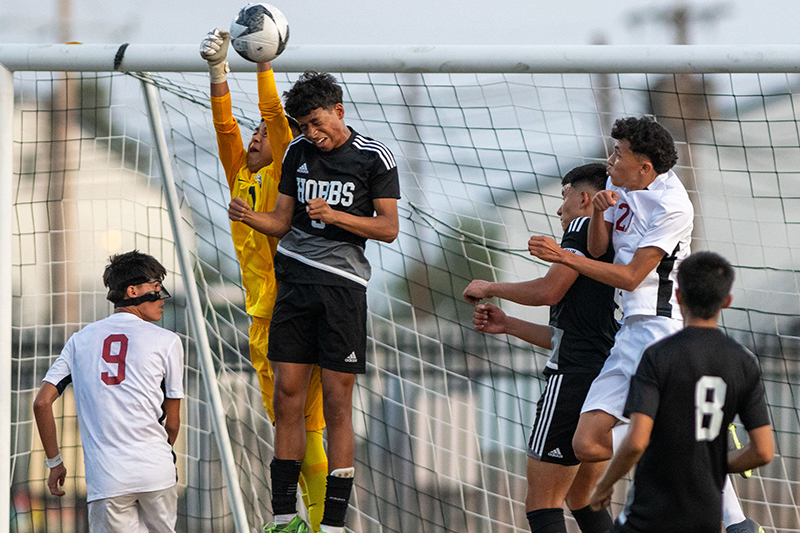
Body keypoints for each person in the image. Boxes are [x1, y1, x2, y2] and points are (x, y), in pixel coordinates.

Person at [528, 116, 761, 533]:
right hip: (629, 332)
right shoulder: (620, 187)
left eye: (618, 153)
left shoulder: (673, 205)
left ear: (645, 167)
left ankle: (733, 513)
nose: (609, 159)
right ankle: (690, 437)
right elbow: (600, 249)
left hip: (661, 328)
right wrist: (599, 214)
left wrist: (565, 257)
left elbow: (633, 276)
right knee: (586, 442)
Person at [228, 70, 400, 533]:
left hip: (343, 288)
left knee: (338, 404)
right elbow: (282, 221)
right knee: (288, 397)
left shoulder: (374, 157)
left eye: (317, 122)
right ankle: (284, 519)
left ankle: (333, 524)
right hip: (293, 284)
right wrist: (251, 217)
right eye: (303, 125)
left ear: (339, 112)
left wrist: (337, 215)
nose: (311, 133)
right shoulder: (297, 154)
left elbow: (388, 228)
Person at [200, 29, 329, 532]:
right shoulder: (241, 175)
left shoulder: (284, 175)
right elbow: (223, 127)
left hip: (295, 309)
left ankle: (324, 523)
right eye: (252, 135)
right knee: (284, 424)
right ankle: (302, 518)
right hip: (260, 316)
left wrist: (262, 65)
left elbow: (275, 120)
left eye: (261, 135)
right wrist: (217, 74)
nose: (255, 138)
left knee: (309, 422)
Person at [465, 163, 618, 533]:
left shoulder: (581, 228)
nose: (558, 208)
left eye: (563, 196)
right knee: (583, 497)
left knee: (542, 501)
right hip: (607, 380)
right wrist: (511, 324)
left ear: (583, 198)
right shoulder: (617, 243)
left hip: (573, 382)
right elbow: (576, 335)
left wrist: (490, 287)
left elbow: (548, 291)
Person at [589, 251, 774, 532]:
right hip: (705, 518)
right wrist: (714, 463)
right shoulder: (744, 363)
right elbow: (763, 451)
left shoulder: (657, 356)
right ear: (727, 302)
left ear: (678, 297)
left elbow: (637, 441)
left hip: (649, 516)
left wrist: (605, 485)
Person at [33, 251, 182, 533]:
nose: (162, 297)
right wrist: (156, 455)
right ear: (132, 291)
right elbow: (172, 423)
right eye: (156, 288)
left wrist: (55, 463)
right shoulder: (168, 341)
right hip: (156, 472)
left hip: (108, 478)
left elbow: (41, 403)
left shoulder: (79, 340)